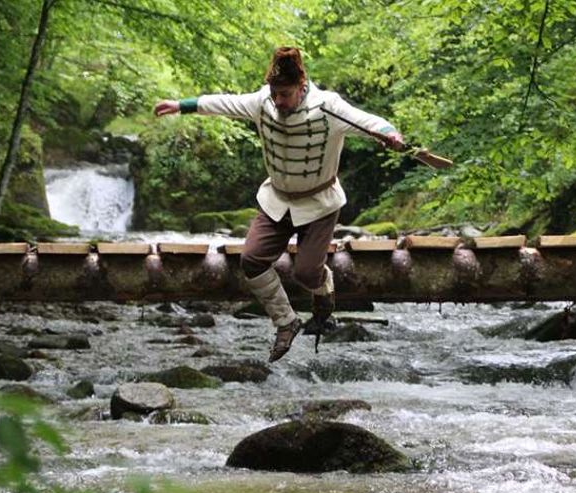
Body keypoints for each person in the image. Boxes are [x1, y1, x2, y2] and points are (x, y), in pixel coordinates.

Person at [153, 47, 404, 362]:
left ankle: (323, 289)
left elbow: (369, 122)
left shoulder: (330, 108)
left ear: (302, 86)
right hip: (277, 200)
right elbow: (223, 103)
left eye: (285, 94)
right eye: (275, 94)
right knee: (252, 260)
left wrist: (389, 134)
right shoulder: (263, 102)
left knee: (306, 273)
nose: (279, 101)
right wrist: (180, 105)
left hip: (320, 202)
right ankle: (286, 322)